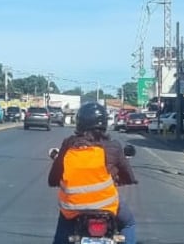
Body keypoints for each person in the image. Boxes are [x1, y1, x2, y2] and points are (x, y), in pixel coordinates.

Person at [48, 102, 138, 244]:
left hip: (73, 206)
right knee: (129, 224)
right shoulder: (113, 146)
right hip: (107, 205)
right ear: (104, 123)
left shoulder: (68, 144)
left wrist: (55, 181)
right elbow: (127, 174)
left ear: (79, 122)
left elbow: (53, 178)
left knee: (63, 231)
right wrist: (128, 179)